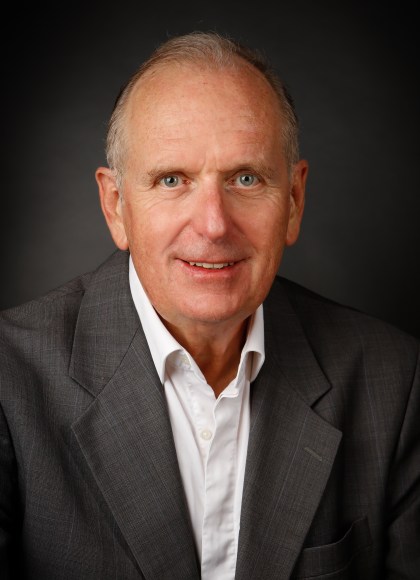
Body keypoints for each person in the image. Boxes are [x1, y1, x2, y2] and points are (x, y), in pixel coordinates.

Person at [0, 31, 419, 580]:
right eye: (172, 180)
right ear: (116, 206)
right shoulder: (10, 378)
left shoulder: (396, 380)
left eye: (245, 179)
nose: (214, 225)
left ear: (294, 201)